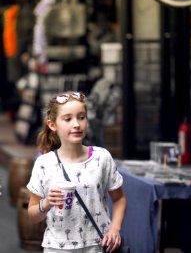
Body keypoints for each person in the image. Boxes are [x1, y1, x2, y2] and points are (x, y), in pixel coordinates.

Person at [27, 91, 127, 253]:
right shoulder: (44, 164)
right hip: (57, 248)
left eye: (81, 117)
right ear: (53, 125)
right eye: (68, 119)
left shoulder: (101, 157)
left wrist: (115, 229)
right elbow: (32, 215)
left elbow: (119, 199)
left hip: (97, 245)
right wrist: (45, 204)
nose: (76, 124)